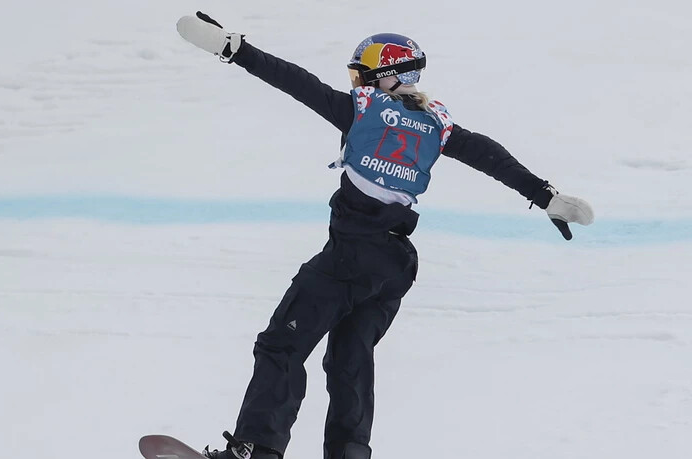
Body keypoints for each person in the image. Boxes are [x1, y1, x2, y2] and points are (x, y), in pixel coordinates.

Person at [176, 11, 594, 459]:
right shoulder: (438, 125)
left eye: (362, 75)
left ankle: (253, 451)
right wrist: (544, 194)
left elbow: (294, 81)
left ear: (389, 77)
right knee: (349, 363)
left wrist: (233, 48)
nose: (356, 84)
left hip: (349, 257)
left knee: (282, 345)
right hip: (395, 266)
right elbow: (489, 155)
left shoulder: (361, 112)